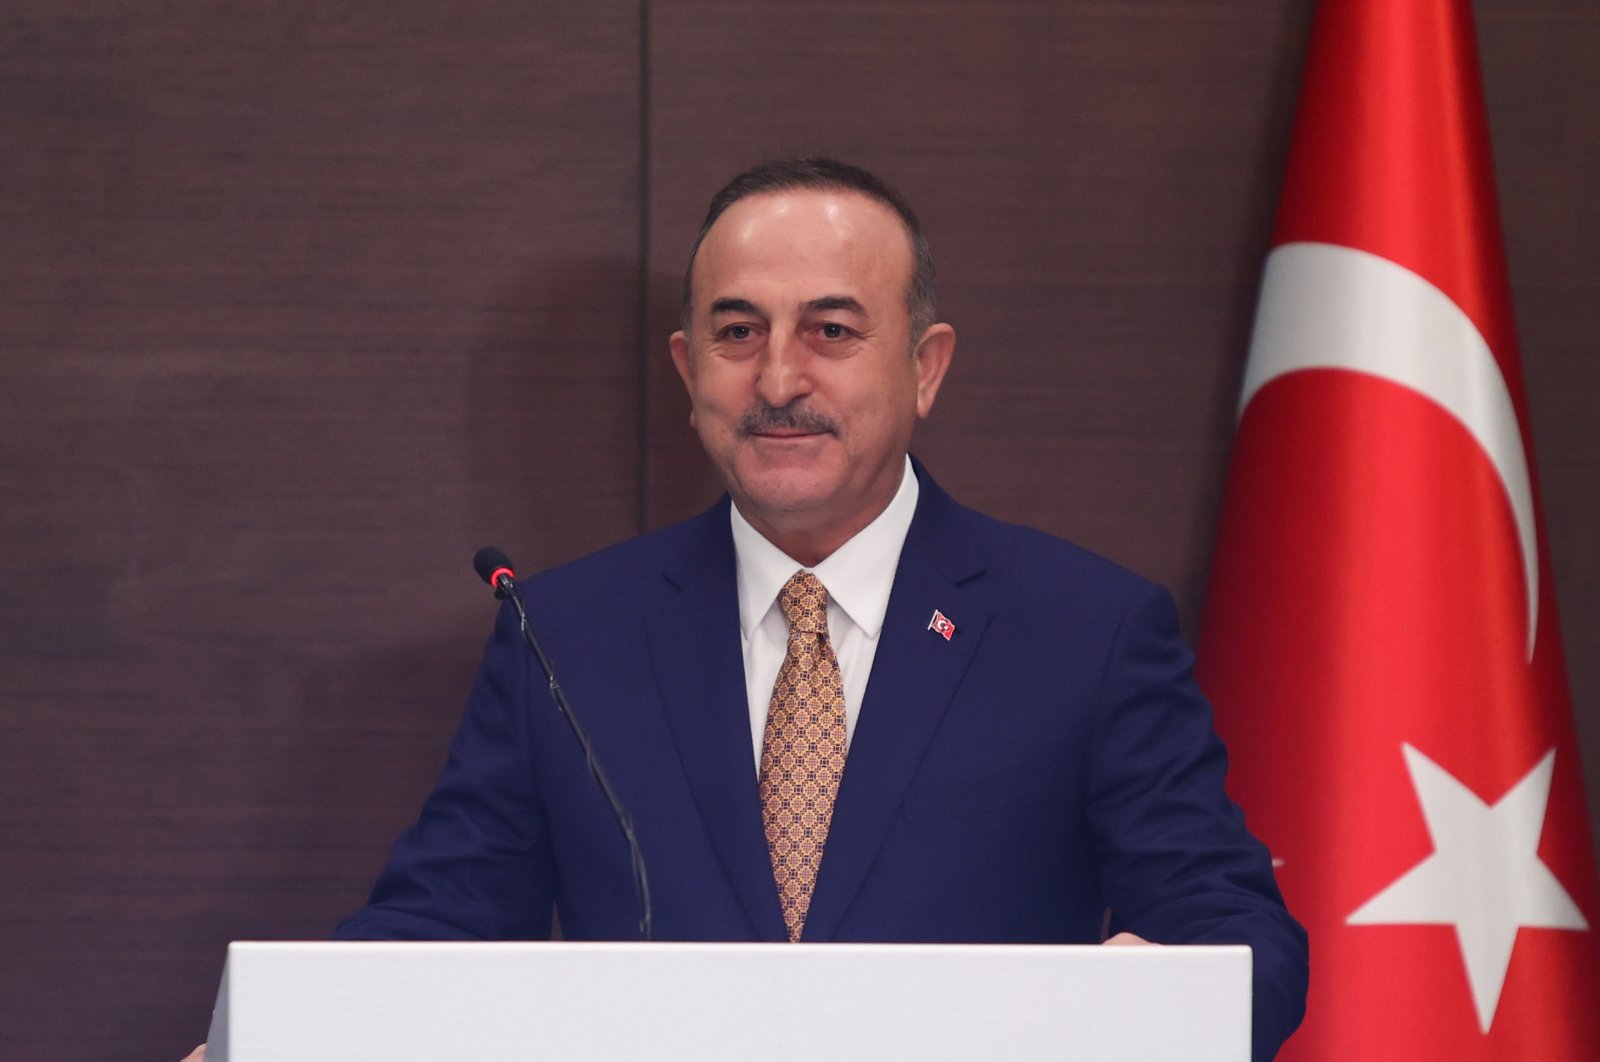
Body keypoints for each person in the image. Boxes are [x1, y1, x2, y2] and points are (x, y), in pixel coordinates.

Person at [192, 158, 1307, 1062]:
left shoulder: (1082, 630)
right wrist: (278, 1036)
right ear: (688, 370)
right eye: (737, 333)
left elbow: (1244, 944)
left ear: (924, 368)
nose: (777, 379)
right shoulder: (566, 637)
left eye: (830, 330)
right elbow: (433, 932)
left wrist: (1095, 1013)